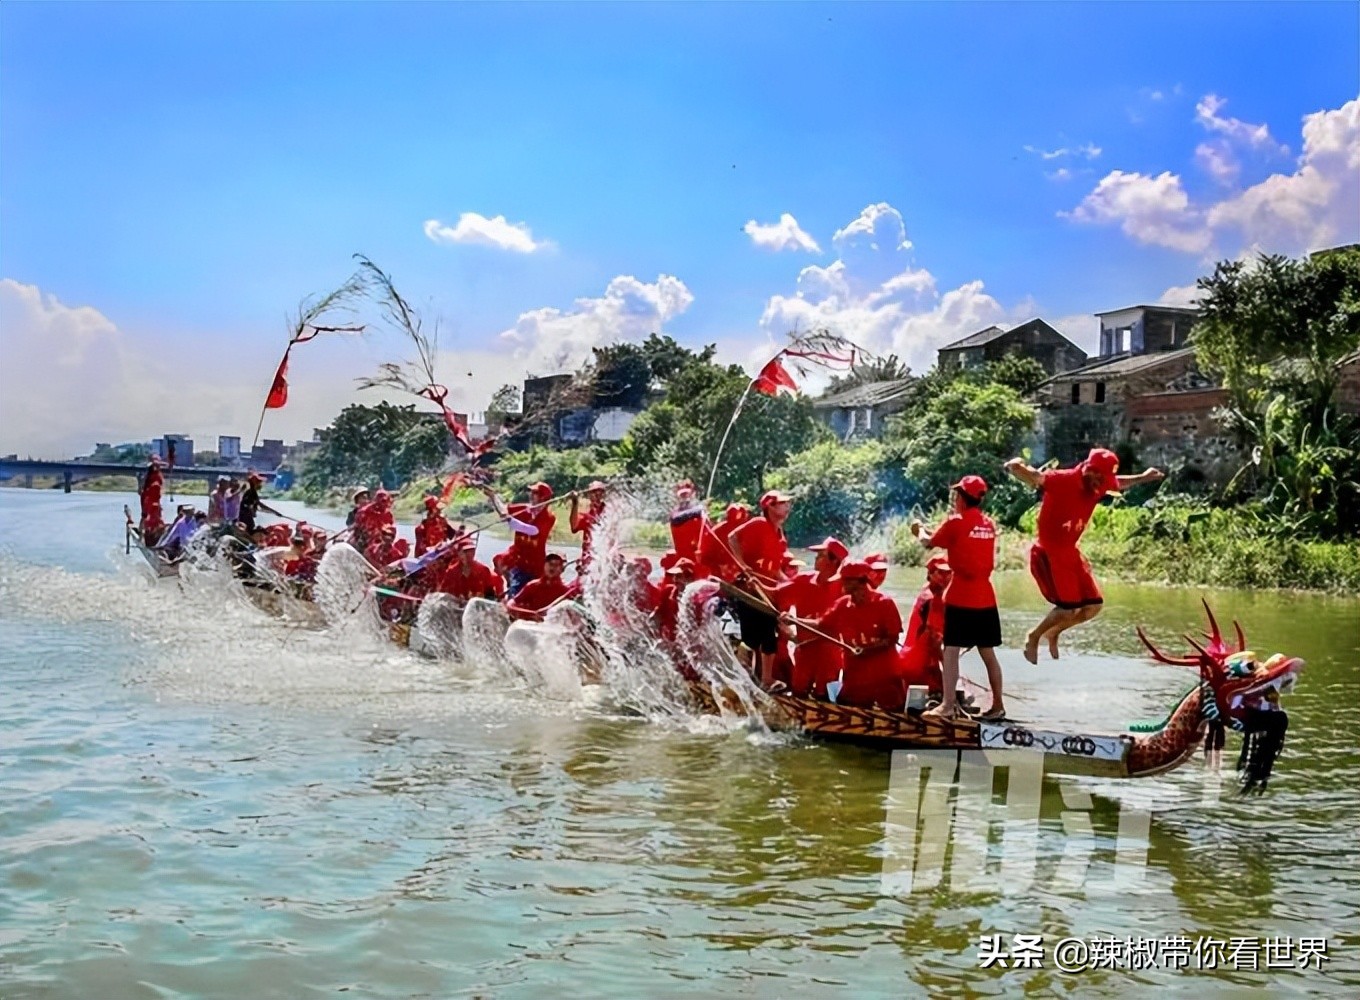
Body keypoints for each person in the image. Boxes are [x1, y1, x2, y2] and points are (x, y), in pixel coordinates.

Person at [1004, 449, 1166, 662]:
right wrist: (1015, 467)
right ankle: (1034, 636)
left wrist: (1144, 477)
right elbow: (1035, 478)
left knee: (1093, 606)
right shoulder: (1064, 480)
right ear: (1090, 471)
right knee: (1068, 609)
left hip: (1070, 551)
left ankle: (1054, 632)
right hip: (1050, 552)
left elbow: (1119, 482)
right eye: (1102, 479)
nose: (1104, 486)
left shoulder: (1099, 484)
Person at [911, 475, 1005, 721]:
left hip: (961, 596)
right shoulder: (988, 524)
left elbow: (928, 543)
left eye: (956, 495)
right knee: (988, 653)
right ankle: (998, 705)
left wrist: (918, 529)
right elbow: (958, 540)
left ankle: (948, 705)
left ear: (962, 497)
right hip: (986, 596)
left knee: (950, 650)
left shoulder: (955, 523)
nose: (954, 499)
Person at [792, 561, 904, 709]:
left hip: (884, 676)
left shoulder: (885, 603)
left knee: (895, 710)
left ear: (859, 582)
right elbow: (820, 624)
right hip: (855, 678)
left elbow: (892, 638)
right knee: (846, 706)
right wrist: (793, 620)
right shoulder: (843, 604)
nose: (841, 584)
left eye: (845, 580)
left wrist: (867, 650)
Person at [727, 489, 793, 686]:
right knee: (753, 637)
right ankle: (744, 678)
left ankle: (765, 679)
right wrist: (742, 564)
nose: (787, 507)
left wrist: (785, 581)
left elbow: (776, 567)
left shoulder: (780, 534)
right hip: (750, 589)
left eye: (787, 504)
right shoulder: (759, 523)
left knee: (768, 635)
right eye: (782, 503)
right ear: (770, 507)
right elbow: (732, 537)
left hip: (769, 590)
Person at [774, 536, 847, 698]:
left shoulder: (846, 587)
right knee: (799, 692)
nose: (816, 558)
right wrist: (754, 583)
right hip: (804, 649)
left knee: (825, 695)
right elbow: (775, 595)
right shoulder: (803, 581)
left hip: (830, 652)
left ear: (834, 561)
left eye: (821, 555)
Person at [897, 555, 952, 698]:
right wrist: (949, 667)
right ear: (930, 574)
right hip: (920, 667)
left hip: (907, 660)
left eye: (949, 573)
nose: (945, 577)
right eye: (940, 573)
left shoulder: (927, 590)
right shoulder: (935, 600)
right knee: (947, 689)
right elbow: (933, 643)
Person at [506, 552, 571, 622]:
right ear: (544, 565)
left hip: (553, 628)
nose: (552, 567)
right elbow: (511, 605)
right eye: (550, 563)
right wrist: (531, 614)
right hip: (532, 626)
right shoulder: (532, 586)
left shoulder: (565, 591)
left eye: (556, 565)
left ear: (562, 569)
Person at [697, 502, 750, 580]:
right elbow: (704, 555)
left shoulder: (748, 529)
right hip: (723, 574)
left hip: (747, 572)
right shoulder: (717, 531)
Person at [438, 541, 503, 602]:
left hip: (475, 609)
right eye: (465, 551)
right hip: (456, 608)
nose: (468, 554)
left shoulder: (483, 570)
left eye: (471, 551)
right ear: (458, 553)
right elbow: (442, 593)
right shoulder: (452, 571)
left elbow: (490, 594)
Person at [569, 480, 608, 571]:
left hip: (604, 559)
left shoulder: (610, 512)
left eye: (601, 491)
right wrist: (575, 503)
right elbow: (574, 526)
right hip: (588, 560)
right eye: (594, 492)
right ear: (589, 495)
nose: (597, 494)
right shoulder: (586, 516)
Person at [668, 480, 706, 562]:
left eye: (686, 494)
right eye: (682, 495)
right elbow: (676, 519)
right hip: (682, 557)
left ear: (692, 494)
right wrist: (698, 511)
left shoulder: (699, 514)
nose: (684, 497)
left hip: (697, 556)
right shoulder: (675, 514)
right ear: (677, 496)